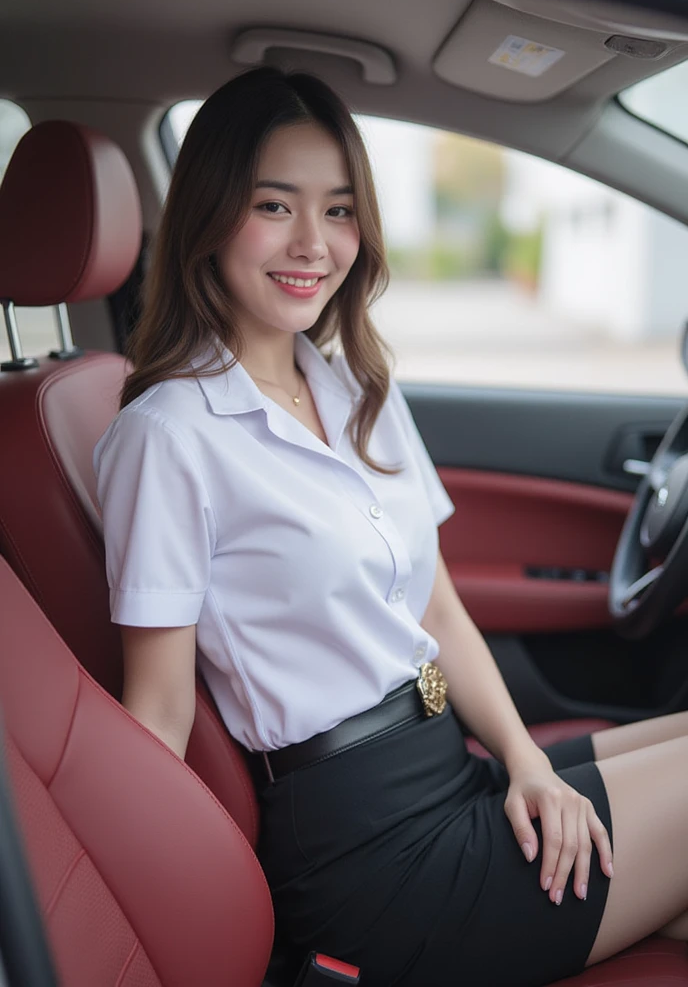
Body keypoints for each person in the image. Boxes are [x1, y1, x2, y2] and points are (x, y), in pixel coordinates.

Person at [93, 66, 688, 987]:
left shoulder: (356, 386)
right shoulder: (166, 434)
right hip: (370, 861)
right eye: (274, 205)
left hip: (453, 771)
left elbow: (437, 614)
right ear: (210, 216)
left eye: (338, 210)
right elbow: (161, 712)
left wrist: (527, 762)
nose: (312, 243)